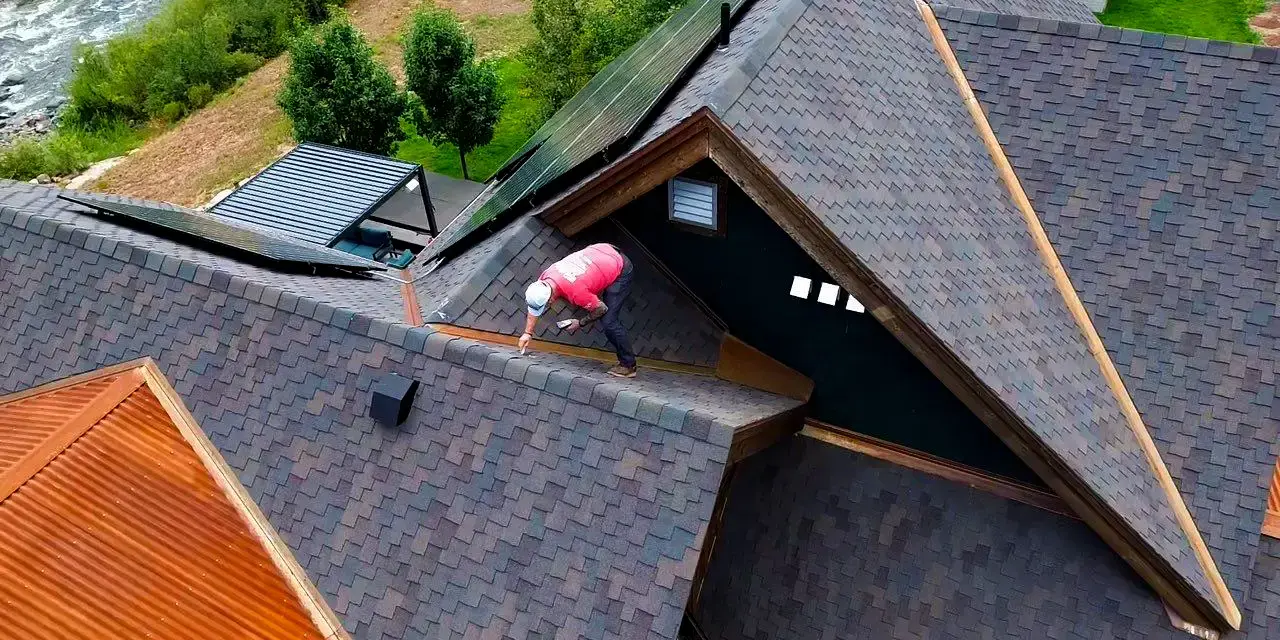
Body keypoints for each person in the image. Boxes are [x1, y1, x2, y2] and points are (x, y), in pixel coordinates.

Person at [519, 243, 637, 378]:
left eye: (546, 304)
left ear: (550, 299)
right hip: (600, 249)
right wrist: (527, 333)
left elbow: (601, 308)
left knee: (609, 322)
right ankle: (597, 282)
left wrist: (580, 323)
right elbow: (534, 306)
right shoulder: (545, 277)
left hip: (621, 266)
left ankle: (628, 365)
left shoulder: (576, 292)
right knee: (589, 291)